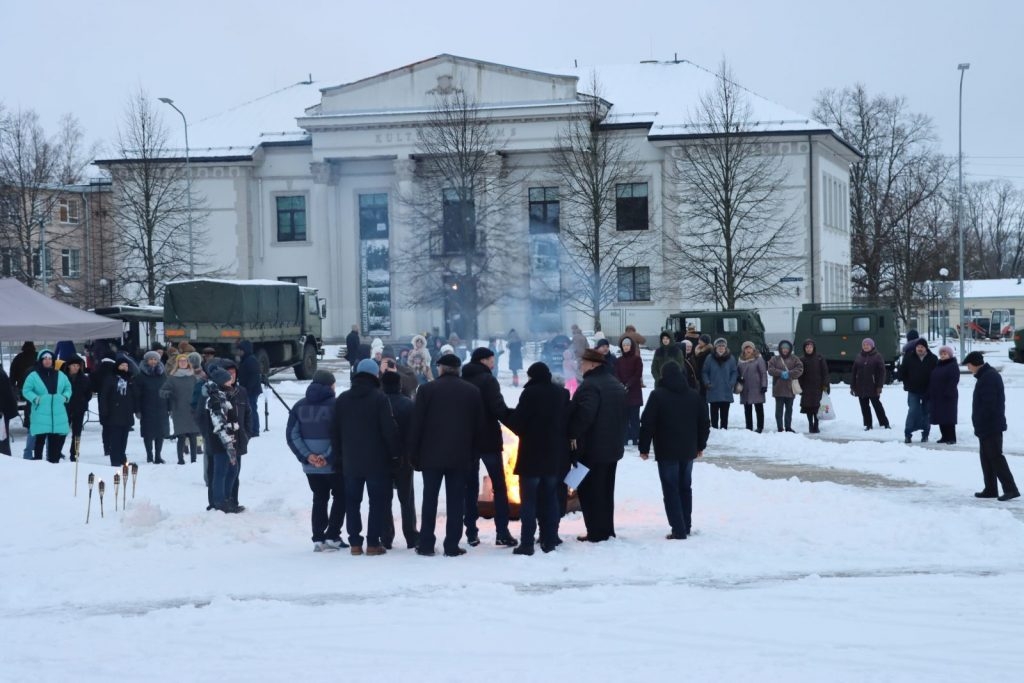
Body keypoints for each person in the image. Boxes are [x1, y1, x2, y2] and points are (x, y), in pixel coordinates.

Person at [409, 353, 483, 557]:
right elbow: (479, 427)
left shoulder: (426, 390)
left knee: (430, 499)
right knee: (456, 501)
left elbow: (417, 425)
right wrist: (474, 454)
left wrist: (413, 454)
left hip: (431, 456)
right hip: (460, 456)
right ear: (458, 369)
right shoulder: (472, 391)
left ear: (441, 368)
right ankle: (451, 544)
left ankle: (426, 544)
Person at [332, 359, 399, 555]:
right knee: (376, 502)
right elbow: (389, 430)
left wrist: (338, 457)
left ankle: (354, 543)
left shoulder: (343, 399)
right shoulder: (379, 398)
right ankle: (372, 543)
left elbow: (334, 432)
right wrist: (395, 454)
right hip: (376, 461)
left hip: (350, 461)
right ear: (375, 375)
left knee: (352, 502)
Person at [639, 362, 711, 540]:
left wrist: (644, 448)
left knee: (671, 489)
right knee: (685, 488)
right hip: (688, 450)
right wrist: (700, 445)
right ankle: (685, 526)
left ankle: (678, 529)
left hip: (666, 451)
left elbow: (647, 423)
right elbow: (704, 423)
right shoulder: (693, 396)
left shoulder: (657, 396)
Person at [506, 361, 570, 555]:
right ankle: (549, 539)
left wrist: (506, 415)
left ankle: (527, 543)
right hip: (553, 455)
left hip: (531, 455)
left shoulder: (530, 393)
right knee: (550, 499)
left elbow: (518, 423)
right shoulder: (561, 394)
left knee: (529, 502)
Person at [569, 348, 627, 543]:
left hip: (593, 450)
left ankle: (596, 532)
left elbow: (585, 416)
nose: (580, 366)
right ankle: (606, 530)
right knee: (606, 492)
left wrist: (572, 433)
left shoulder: (590, 386)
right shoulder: (614, 383)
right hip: (613, 448)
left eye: (583, 363)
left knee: (590, 492)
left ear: (593, 365)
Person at [461, 347, 517, 547]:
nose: (494, 363)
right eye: (492, 360)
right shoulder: (488, 380)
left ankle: (471, 532)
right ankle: (502, 531)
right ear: (484, 361)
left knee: (470, 487)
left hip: (468, 440)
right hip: (488, 439)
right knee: (499, 486)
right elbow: (498, 407)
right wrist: (518, 425)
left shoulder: (463, 379)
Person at [286, 370, 347, 552]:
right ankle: (333, 535)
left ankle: (318, 538)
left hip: (311, 467)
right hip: (333, 464)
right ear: (330, 386)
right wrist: (326, 456)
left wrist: (308, 456)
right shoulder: (336, 406)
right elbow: (341, 436)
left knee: (319, 498)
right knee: (340, 497)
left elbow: (292, 435)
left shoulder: (299, 406)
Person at [963, 351, 1018, 501]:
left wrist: (982, 421)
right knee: (986, 458)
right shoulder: (986, 376)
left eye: (968, 365)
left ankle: (1011, 489)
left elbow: (989, 404)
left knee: (995, 457)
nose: (968, 368)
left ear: (975, 363)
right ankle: (991, 488)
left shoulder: (989, 377)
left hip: (991, 425)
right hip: (986, 425)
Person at [380, 365, 418, 550]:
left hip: (381, 459)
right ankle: (411, 535)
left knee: (384, 499)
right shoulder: (408, 404)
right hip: (404, 458)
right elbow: (415, 432)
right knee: (407, 498)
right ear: (400, 384)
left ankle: (386, 536)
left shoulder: (377, 403)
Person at [200, 365, 244, 513]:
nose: (230, 383)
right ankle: (220, 502)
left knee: (232, 470)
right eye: (227, 381)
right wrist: (231, 435)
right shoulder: (216, 400)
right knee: (221, 471)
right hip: (221, 442)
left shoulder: (224, 396)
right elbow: (219, 425)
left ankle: (227, 499)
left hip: (229, 440)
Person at [20, 349, 72, 463]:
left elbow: (68, 388)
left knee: (54, 441)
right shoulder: (33, 375)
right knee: (39, 441)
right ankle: (38, 464)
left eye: (50, 359)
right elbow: (26, 390)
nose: (48, 361)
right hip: (40, 414)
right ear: (40, 360)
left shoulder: (60, 374)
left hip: (57, 414)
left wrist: (65, 397)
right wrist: (36, 399)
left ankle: (53, 463)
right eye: (45, 358)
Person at [161, 352, 202, 464]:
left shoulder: (194, 377)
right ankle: (181, 460)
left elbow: (200, 391)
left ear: (188, 363)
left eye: (185, 361)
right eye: (181, 361)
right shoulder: (172, 378)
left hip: (192, 410)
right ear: (178, 363)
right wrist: (168, 393)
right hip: (179, 410)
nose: (183, 363)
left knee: (193, 435)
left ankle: (194, 460)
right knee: (181, 436)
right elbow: (162, 391)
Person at [100, 355, 136, 466]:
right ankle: (115, 460)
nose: (125, 367)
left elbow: (134, 395)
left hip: (127, 413)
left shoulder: (130, 379)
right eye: (122, 365)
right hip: (113, 413)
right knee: (115, 438)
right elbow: (104, 396)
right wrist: (104, 411)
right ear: (117, 366)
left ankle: (122, 458)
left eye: (126, 365)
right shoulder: (110, 379)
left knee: (124, 438)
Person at [135, 351, 170, 464]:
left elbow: (168, 391)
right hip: (147, 408)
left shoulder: (163, 375)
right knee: (148, 434)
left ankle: (158, 456)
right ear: (146, 361)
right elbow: (137, 394)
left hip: (161, 408)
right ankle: (149, 455)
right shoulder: (140, 376)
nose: (153, 362)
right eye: (151, 359)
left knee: (160, 433)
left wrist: (169, 407)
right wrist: (138, 410)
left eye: (155, 359)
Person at [899, 338, 936, 443]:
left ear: (926, 348)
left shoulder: (933, 358)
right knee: (912, 411)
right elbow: (903, 372)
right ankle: (908, 434)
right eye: (918, 347)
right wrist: (905, 381)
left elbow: (936, 375)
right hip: (913, 390)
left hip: (927, 391)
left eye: (922, 347)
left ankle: (925, 434)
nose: (920, 349)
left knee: (926, 412)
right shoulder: (909, 357)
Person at [851, 338, 890, 430]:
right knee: (864, 407)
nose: (865, 346)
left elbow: (882, 372)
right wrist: (853, 386)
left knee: (877, 406)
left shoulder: (877, 356)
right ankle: (868, 425)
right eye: (864, 345)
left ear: (872, 346)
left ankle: (885, 423)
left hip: (873, 387)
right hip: (860, 387)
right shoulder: (859, 356)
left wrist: (879, 386)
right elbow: (854, 372)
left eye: (867, 345)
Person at [767, 340, 804, 433]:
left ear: (790, 349)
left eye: (787, 348)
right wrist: (780, 373)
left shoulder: (795, 359)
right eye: (783, 348)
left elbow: (800, 369)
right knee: (779, 410)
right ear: (780, 349)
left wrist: (789, 373)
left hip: (790, 389)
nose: (785, 350)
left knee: (789, 410)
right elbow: (770, 369)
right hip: (778, 389)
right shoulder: (774, 359)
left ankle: (788, 427)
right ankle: (780, 427)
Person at [10, 341, 38, 458]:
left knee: (29, 406)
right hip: (39, 387)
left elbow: (12, 375)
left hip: (23, 388)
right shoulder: (38, 356)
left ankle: (29, 424)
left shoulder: (18, 358)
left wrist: (13, 388)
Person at [702, 338, 737, 430]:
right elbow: (705, 372)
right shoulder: (709, 358)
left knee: (725, 413)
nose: (721, 348)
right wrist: (707, 382)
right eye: (719, 346)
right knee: (714, 413)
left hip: (726, 389)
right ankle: (714, 430)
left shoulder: (731, 358)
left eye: (723, 346)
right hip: (713, 389)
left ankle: (724, 430)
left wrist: (732, 382)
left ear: (725, 347)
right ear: (715, 347)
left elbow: (734, 372)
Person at [62, 355, 92, 462]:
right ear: (69, 366)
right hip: (65, 408)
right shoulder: (62, 377)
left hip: (79, 409)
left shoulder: (84, 378)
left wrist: (83, 401)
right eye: (73, 365)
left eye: (78, 366)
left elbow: (89, 393)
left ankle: (74, 453)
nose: (75, 368)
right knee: (62, 431)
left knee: (77, 433)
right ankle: (58, 451)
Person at [929, 346, 960, 444]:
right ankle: (944, 436)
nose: (942, 356)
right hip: (938, 395)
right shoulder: (939, 364)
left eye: (945, 354)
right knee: (940, 416)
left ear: (949, 355)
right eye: (941, 354)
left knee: (948, 417)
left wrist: (949, 391)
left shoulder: (952, 365)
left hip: (948, 395)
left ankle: (951, 437)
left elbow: (954, 379)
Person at [798, 339, 830, 433]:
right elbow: (799, 375)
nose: (808, 349)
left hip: (818, 387)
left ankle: (816, 424)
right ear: (804, 349)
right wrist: (800, 387)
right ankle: (810, 425)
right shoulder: (801, 359)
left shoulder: (819, 358)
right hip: (806, 387)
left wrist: (825, 385)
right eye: (807, 347)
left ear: (813, 348)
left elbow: (825, 372)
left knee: (818, 408)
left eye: (810, 347)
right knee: (808, 408)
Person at [736, 341, 767, 432]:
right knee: (747, 409)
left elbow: (763, 373)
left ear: (753, 349)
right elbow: (737, 371)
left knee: (759, 408)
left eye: (750, 348)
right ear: (743, 350)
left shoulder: (759, 359)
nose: (748, 350)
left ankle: (760, 427)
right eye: (746, 348)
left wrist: (764, 385)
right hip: (745, 388)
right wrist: (738, 378)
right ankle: (749, 427)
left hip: (757, 387)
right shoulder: (740, 360)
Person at [235, 340, 263, 437]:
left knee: (252, 409)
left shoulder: (250, 360)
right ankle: (251, 429)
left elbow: (254, 376)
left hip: (251, 390)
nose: (238, 352)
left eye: (240, 350)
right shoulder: (246, 359)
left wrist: (248, 389)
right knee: (250, 409)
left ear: (244, 350)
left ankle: (254, 430)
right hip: (248, 389)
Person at [0, 366, 18, 456]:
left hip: (2, 411)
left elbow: (4, 394)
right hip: (4, 410)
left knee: (2, 440)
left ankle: (6, 461)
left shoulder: (1, 374)